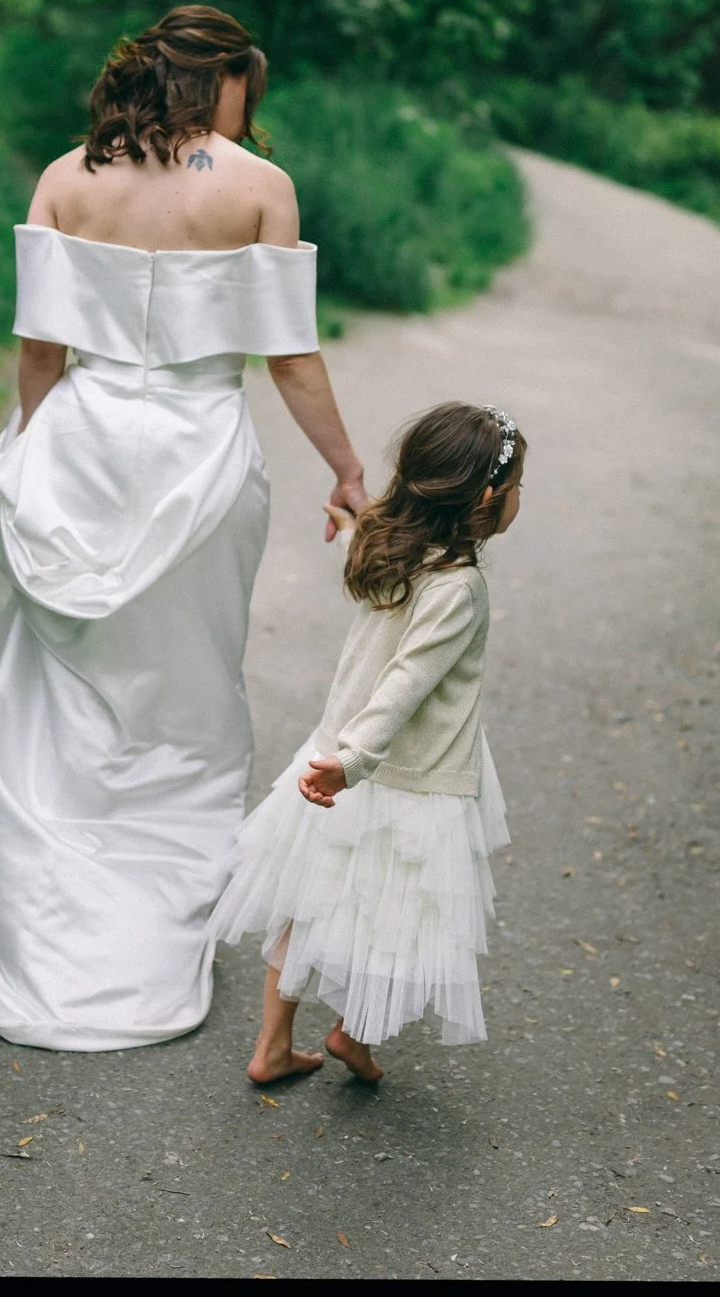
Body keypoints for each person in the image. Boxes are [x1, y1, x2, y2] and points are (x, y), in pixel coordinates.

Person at [0, 6, 368, 1050]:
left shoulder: (67, 178)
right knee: (185, 696)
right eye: (252, 83)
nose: (257, 106)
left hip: (81, 448)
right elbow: (291, 358)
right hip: (200, 464)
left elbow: (39, 350)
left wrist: (32, 445)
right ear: (224, 80)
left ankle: (44, 939)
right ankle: (154, 935)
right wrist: (345, 466)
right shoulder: (260, 186)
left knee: (59, 703)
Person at [211, 402, 523, 1086]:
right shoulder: (460, 585)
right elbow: (406, 684)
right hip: (398, 772)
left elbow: (383, 622)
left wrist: (356, 524)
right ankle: (353, 1035)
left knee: (308, 898)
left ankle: (272, 1044)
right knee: (397, 914)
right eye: (519, 486)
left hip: (335, 757)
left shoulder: (392, 544)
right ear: (493, 498)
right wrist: (355, 763)